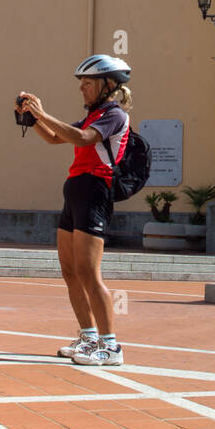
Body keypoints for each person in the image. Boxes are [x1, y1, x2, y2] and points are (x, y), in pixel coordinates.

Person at [16, 55, 131, 367]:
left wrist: (43, 113)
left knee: (89, 274)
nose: (82, 87)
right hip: (75, 191)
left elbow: (81, 138)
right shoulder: (94, 115)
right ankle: (89, 336)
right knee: (70, 272)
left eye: (88, 82)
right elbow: (57, 138)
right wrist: (32, 118)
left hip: (95, 192)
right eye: (81, 82)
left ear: (108, 86)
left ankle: (111, 346)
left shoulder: (114, 115)